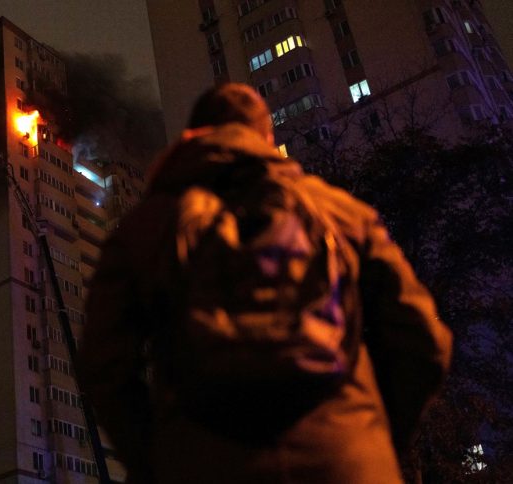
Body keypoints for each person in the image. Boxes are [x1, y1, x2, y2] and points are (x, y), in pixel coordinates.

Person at [77, 84, 452, 483]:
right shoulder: (341, 213)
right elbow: (425, 342)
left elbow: (103, 366)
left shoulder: (145, 227)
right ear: (267, 140)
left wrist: (158, 461)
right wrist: (370, 436)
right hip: (347, 463)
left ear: (193, 137)